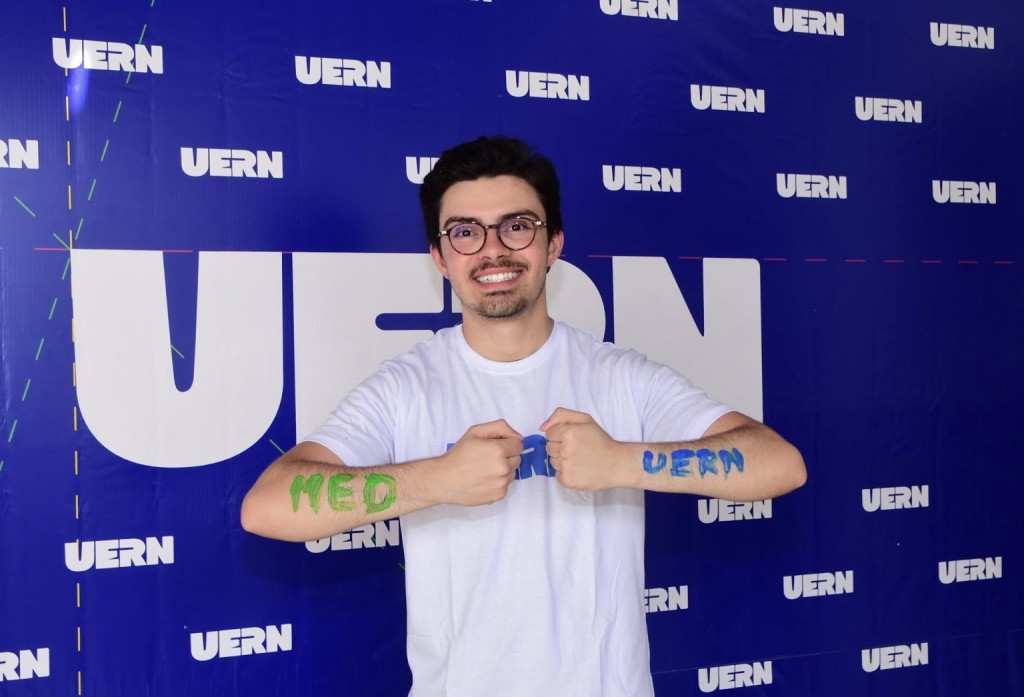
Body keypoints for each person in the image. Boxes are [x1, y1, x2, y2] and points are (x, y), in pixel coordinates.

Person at [241, 135, 806, 696]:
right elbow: (268, 506)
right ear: (440, 257)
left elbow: (780, 465)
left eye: (518, 226)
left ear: (553, 243)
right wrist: (438, 478)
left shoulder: (619, 376)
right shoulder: (404, 386)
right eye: (465, 232)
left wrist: (623, 463)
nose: (493, 250)